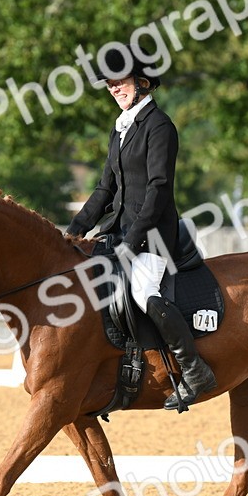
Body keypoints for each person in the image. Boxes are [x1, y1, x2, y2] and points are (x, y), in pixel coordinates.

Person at [65, 51, 216, 410]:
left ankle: (194, 369)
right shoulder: (120, 129)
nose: (114, 89)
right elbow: (105, 189)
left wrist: (134, 238)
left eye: (120, 82)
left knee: (142, 289)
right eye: (110, 84)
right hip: (118, 231)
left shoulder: (159, 126)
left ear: (142, 82)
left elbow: (158, 189)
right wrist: (73, 231)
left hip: (155, 234)